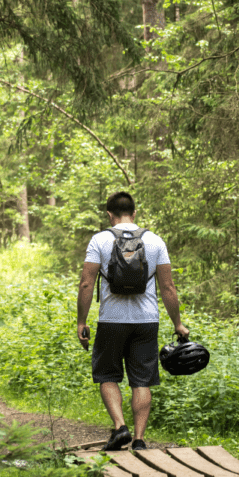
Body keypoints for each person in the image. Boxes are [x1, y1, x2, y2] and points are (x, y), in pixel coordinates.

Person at [76, 191, 189, 451]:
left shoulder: (100, 240)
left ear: (109, 214)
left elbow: (86, 283)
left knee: (107, 374)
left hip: (111, 321)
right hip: (146, 321)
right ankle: (139, 439)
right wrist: (177, 324)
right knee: (142, 380)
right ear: (134, 213)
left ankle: (120, 427)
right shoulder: (154, 241)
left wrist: (81, 321)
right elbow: (168, 287)